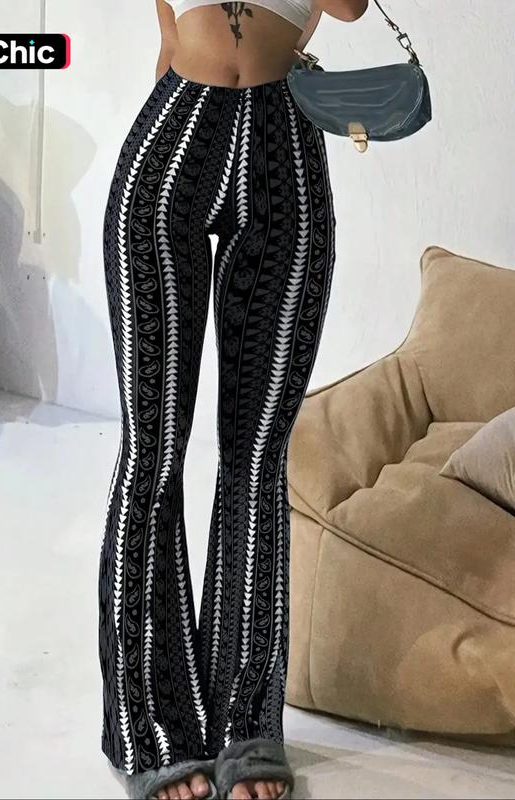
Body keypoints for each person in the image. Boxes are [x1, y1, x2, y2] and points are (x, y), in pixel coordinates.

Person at [99, 1, 368, 798]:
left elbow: (350, 6)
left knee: (256, 457)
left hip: (285, 153)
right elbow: (169, 38)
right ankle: (149, 726)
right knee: (152, 452)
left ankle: (247, 725)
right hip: (170, 151)